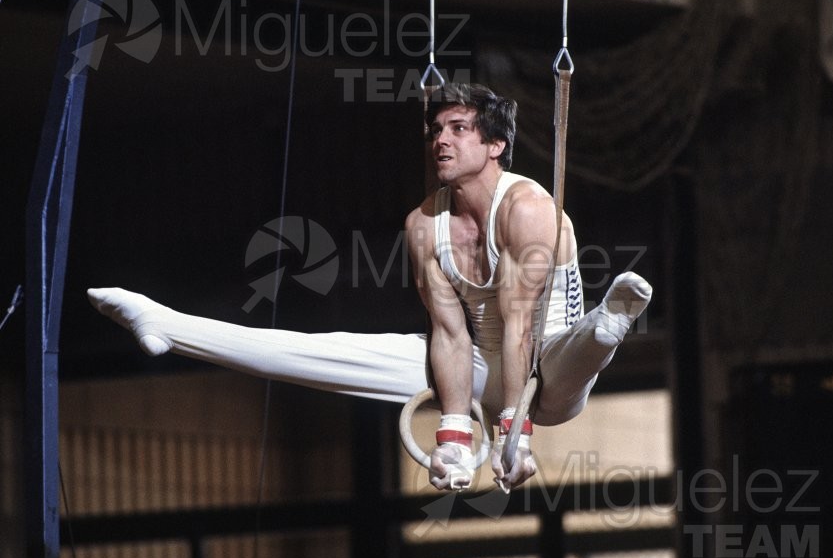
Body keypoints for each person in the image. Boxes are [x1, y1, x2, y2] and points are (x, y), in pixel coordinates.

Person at [87, 83, 651, 493]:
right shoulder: (422, 226)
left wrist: (514, 436)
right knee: (324, 350)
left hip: (543, 371)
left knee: (569, 357)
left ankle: (606, 329)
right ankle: (166, 324)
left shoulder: (527, 209)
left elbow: (523, 328)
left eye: (458, 129)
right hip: (475, 363)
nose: (441, 142)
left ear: (496, 145)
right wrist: (454, 437)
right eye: (435, 130)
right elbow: (450, 335)